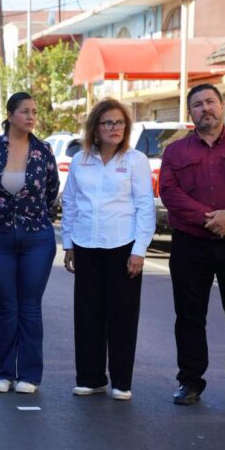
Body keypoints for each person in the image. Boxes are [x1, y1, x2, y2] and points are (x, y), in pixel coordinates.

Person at [61, 98, 155, 401]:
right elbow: (71, 203)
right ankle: (90, 378)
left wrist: (139, 251)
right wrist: (68, 245)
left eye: (119, 123)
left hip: (123, 247)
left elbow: (145, 207)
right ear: (95, 128)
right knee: (88, 314)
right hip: (86, 245)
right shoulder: (80, 160)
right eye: (107, 123)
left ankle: (121, 382)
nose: (115, 128)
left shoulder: (135, 160)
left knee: (122, 316)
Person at [0, 92, 59, 395]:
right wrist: (1, 212)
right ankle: (4, 373)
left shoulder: (44, 150)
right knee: (7, 305)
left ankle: (30, 376)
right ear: (10, 115)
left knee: (30, 306)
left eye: (35, 111)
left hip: (37, 237)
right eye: (25, 111)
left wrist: (29, 216)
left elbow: (51, 192)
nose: (31, 116)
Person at [160, 83, 225, 407]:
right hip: (190, 244)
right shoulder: (176, 152)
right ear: (190, 112)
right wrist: (210, 218)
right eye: (197, 104)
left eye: (210, 102)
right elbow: (170, 192)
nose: (205, 108)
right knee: (190, 316)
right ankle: (190, 382)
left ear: (222, 106)